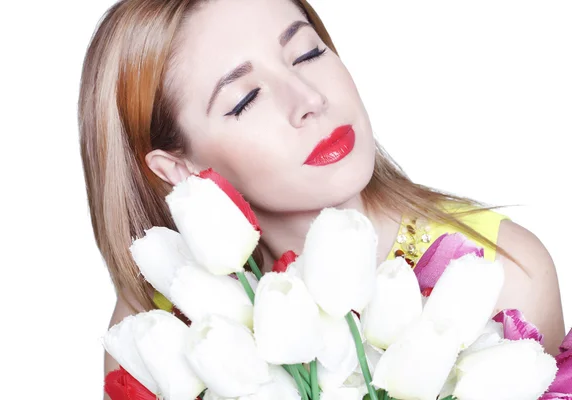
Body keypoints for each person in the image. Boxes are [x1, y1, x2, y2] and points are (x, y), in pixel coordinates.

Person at [77, 0, 566, 398]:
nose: (309, 98)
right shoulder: (157, 334)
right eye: (245, 99)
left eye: (307, 53)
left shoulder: (499, 275)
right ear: (178, 169)